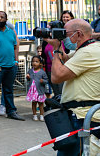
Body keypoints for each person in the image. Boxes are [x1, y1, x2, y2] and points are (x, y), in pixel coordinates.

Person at [48, 18, 100, 155]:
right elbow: (67, 59)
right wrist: (57, 45)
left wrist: (55, 49)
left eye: (65, 33)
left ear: (78, 34)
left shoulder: (87, 53)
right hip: (81, 117)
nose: (64, 37)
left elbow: (57, 76)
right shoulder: (90, 49)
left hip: (85, 119)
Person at [25, 56, 48, 122]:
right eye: (33, 61)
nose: (34, 63)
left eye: (36, 61)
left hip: (40, 91)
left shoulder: (42, 72)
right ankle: (34, 115)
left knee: (41, 104)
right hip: (33, 91)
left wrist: (43, 81)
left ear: (40, 63)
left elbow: (46, 80)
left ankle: (41, 115)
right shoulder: (30, 71)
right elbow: (28, 79)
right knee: (34, 103)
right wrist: (28, 77)